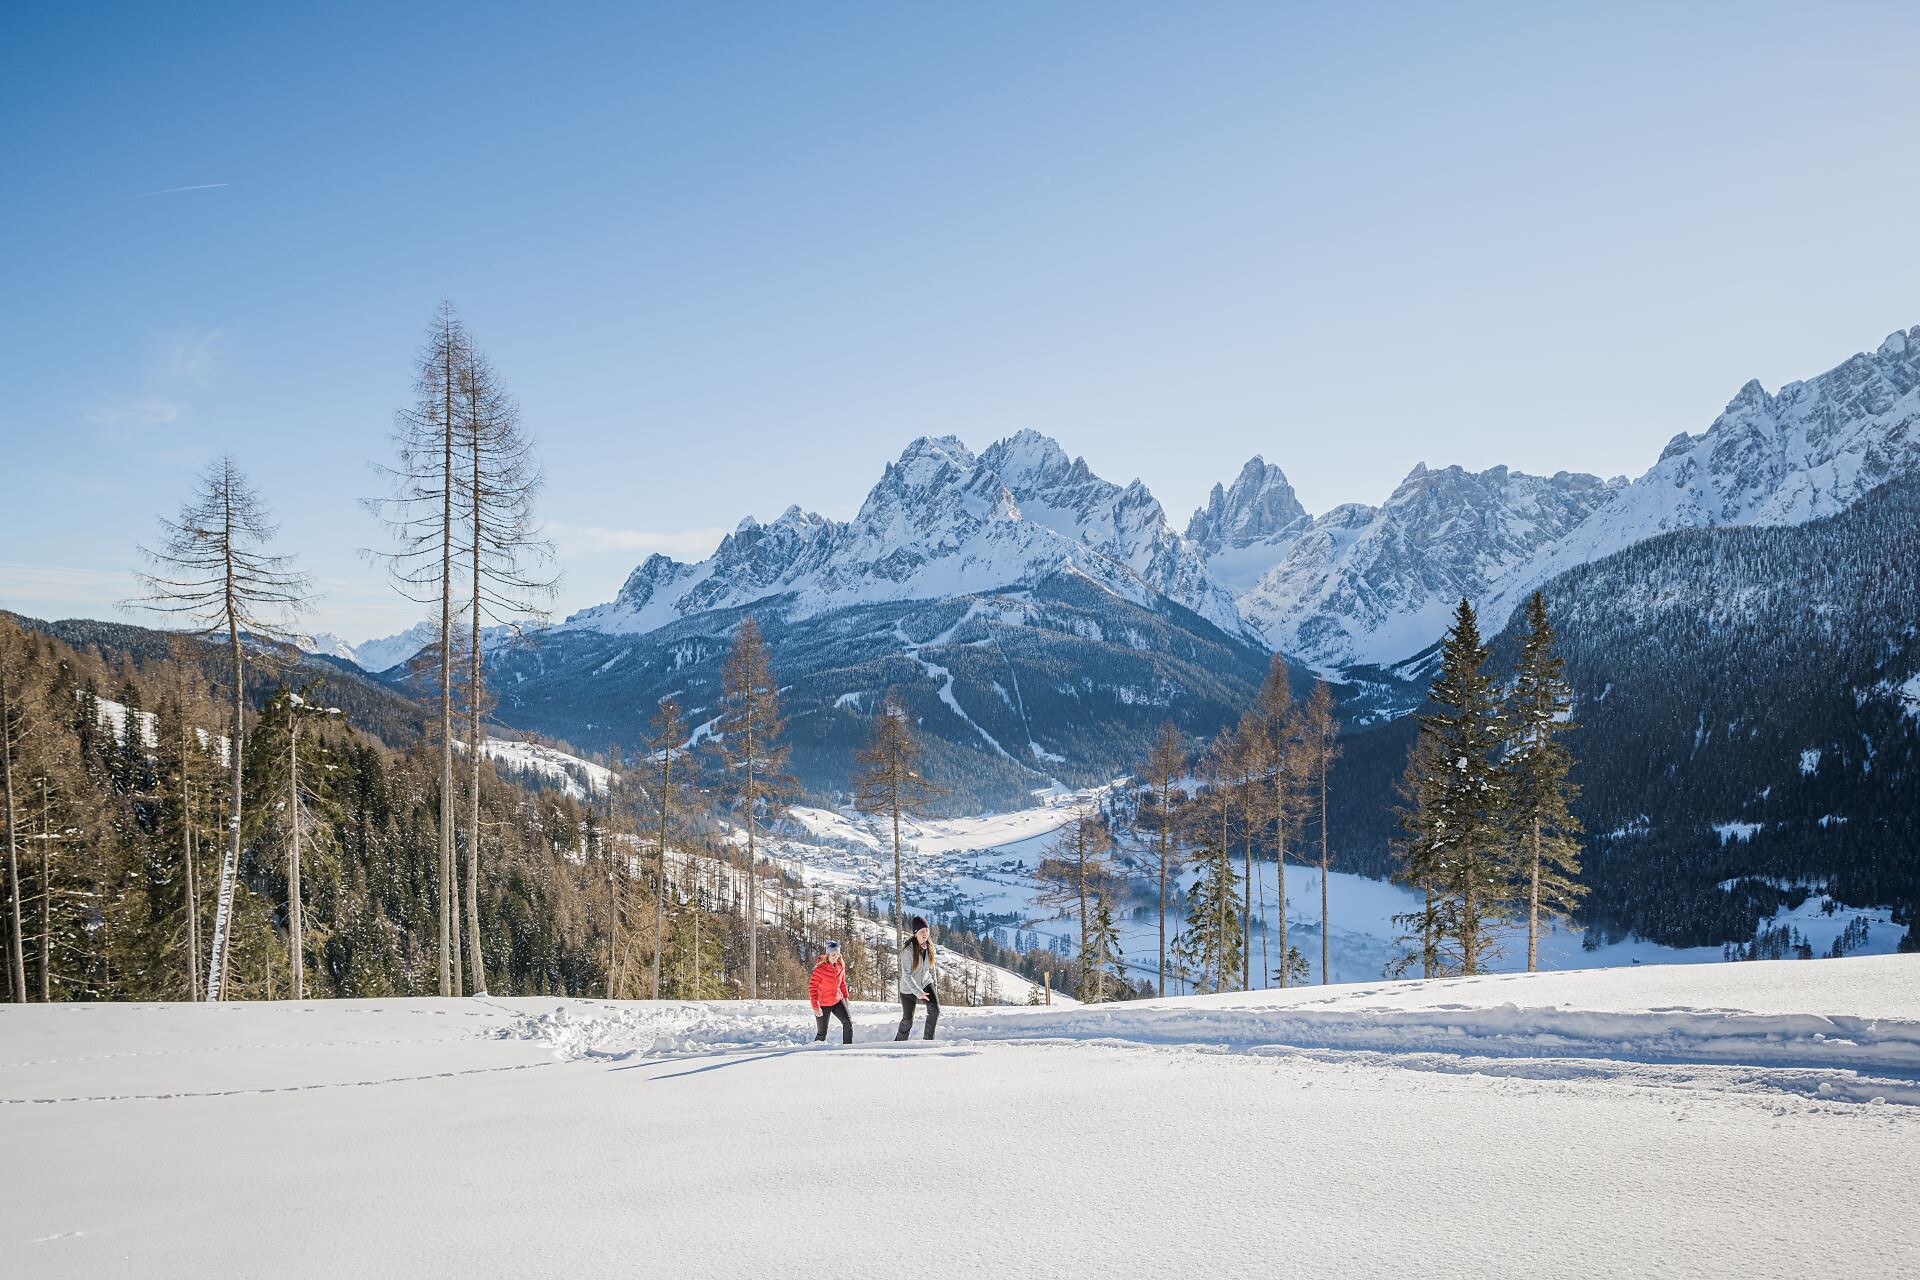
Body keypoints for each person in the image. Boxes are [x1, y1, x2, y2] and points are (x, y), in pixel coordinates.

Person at [895, 917, 939, 1041]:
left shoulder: (930, 947)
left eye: (926, 930)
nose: (925, 934)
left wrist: (933, 985)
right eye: (921, 931)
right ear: (915, 933)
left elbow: (931, 969)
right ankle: (898, 1044)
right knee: (908, 1020)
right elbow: (907, 975)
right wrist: (918, 992)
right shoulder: (908, 951)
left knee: (934, 1010)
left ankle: (928, 1040)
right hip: (908, 988)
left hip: (925, 982)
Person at [809, 941, 853, 1044]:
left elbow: (842, 982)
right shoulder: (820, 969)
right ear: (827, 954)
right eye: (833, 954)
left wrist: (845, 996)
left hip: (838, 1000)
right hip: (823, 1004)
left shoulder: (840, 965)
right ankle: (812, 1054)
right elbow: (812, 988)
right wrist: (815, 1006)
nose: (835, 957)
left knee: (848, 1023)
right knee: (822, 1033)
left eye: (837, 954)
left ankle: (847, 1049)